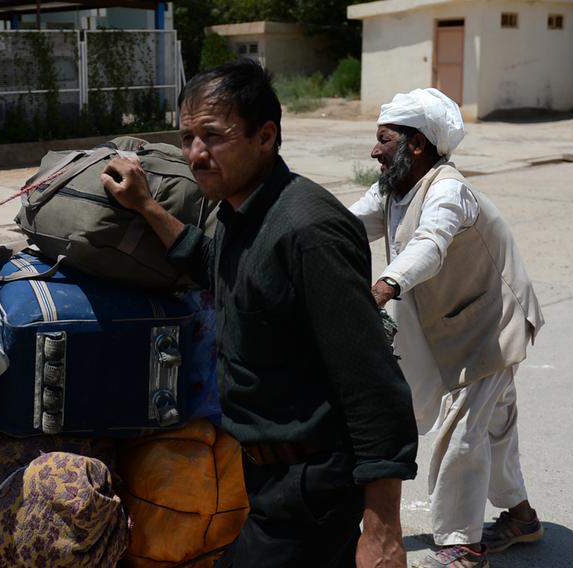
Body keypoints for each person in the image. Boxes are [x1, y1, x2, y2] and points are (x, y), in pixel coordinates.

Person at [101, 59, 418, 567]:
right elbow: (218, 268)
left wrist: (383, 533)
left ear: (265, 136)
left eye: (212, 136)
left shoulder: (309, 232)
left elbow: (373, 384)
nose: (195, 155)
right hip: (266, 476)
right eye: (186, 138)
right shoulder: (237, 209)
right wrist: (147, 207)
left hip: (311, 486)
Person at [349, 88, 545, 568]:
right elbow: (346, 226)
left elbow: (430, 244)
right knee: (494, 427)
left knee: (464, 433)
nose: (374, 150)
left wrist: (384, 284)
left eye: (384, 139)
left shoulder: (447, 189)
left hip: (491, 325)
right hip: (446, 325)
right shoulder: (392, 188)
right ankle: (521, 517)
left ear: (416, 144)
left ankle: (463, 543)